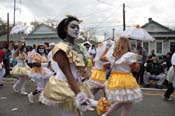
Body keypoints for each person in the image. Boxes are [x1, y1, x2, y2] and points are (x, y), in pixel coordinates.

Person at [39, 16, 103, 116]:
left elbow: (82, 68)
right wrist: (80, 95)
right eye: (73, 27)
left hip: (77, 83)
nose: (76, 29)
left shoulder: (79, 47)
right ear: (65, 29)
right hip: (64, 86)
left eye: (78, 27)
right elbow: (68, 73)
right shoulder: (61, 48)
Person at [101, 37, 143, 116]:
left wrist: (109, 63)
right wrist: (136, 62)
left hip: (115, 80)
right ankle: (105, 114)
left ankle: (105, 114)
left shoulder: (113, 55)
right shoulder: (129, 55)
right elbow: (136, 69)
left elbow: (102, 58)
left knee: (122, 101)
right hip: (126, 80)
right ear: (127, 45)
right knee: (127, 106)